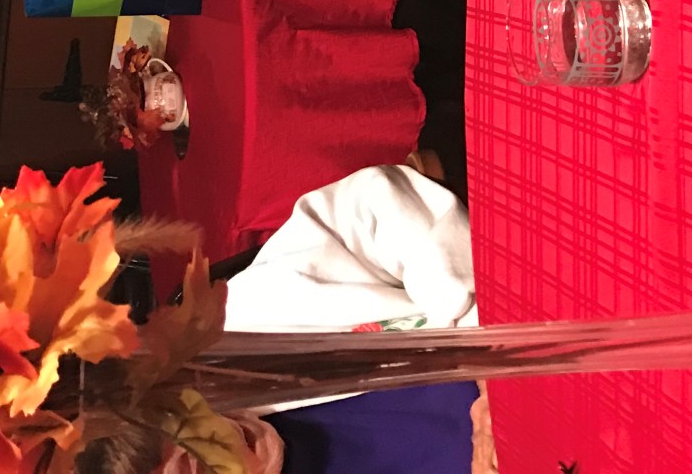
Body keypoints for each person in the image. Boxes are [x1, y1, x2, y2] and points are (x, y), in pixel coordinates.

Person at [79, 164, 487, 474]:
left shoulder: (251, 321)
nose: (221, 447)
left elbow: (371, 207)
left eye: (182, 421)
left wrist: (483, 343)